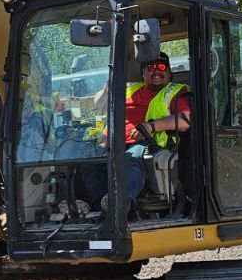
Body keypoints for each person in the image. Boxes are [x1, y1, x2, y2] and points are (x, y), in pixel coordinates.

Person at [80, 54, 192, 214]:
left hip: (148, 145)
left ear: (169, 72)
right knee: (87, 160)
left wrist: (152, 126)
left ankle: (121, 203)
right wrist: (107, 87)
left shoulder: (176, 91)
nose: (156, 72)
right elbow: (99, 105)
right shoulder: (129, 88)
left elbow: (185, 121)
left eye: (161, 67)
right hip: (111, 145)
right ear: (143, 73)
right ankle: (101, 207)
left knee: (133, 158)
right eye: (151, 68)